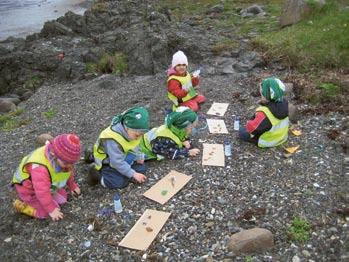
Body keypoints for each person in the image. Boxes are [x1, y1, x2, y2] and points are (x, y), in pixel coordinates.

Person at [12, 134, 81, 221]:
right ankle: (25, 207)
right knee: (46, 213)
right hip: (30, 191)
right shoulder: (40, 169)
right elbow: (42, 192)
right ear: (53, 154)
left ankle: (48, 200)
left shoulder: (63, 160)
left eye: (72, 163)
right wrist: (51, 209)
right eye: (66, 163)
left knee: (63, 198)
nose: (69, 166)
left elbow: (67, 172)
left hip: (48, 185)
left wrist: (72, 185)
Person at [87, 106, 149, 189]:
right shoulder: (113, 140)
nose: (139, 137)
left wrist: (139, 156)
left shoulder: (133, 133)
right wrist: (133, 174)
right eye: (137, 135)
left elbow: (136, 145)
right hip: (108, 163)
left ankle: (126, 174)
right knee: (118, 183)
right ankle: (97, 175)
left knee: (142, 168)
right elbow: (116, 162)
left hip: (122, 157)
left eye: (141, 135)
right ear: (126, 127)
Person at [239, 77, 289, 147]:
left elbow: (253, 129)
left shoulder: (264, 112)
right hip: (282, 137)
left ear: (266, 96)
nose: (261, 96)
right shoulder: (285, 103)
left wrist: (249, 123)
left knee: (242, 131)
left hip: (267, 141)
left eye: (262, 94)